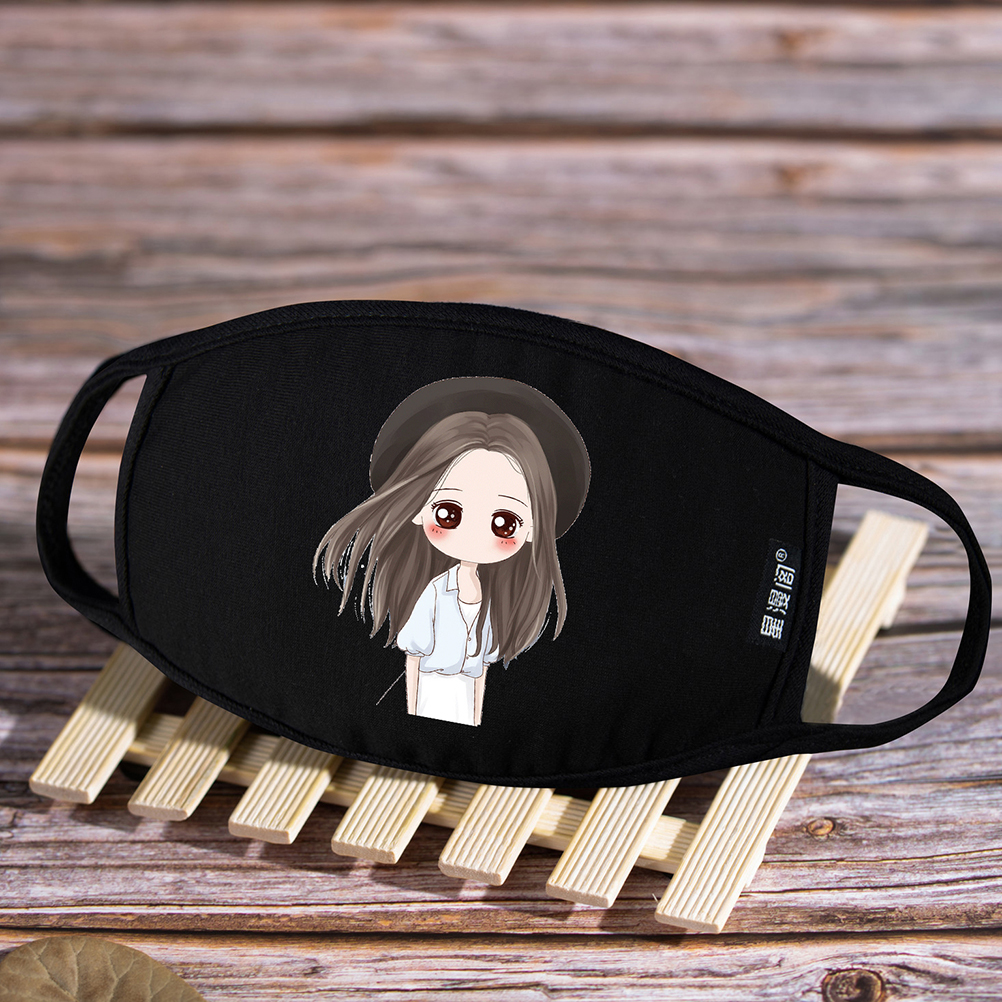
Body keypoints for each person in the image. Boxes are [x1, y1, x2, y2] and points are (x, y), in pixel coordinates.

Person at [314, 377, 590, 727]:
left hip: (464, 698)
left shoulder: (490, 600)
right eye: (449, 513)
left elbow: (480, 670)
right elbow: (414, 658)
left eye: (504, 523)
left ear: (533, 529)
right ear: (418, 511)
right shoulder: (434, 591)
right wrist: (413, 714)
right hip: (430, 691)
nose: (473, 536)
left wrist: (475, 720)